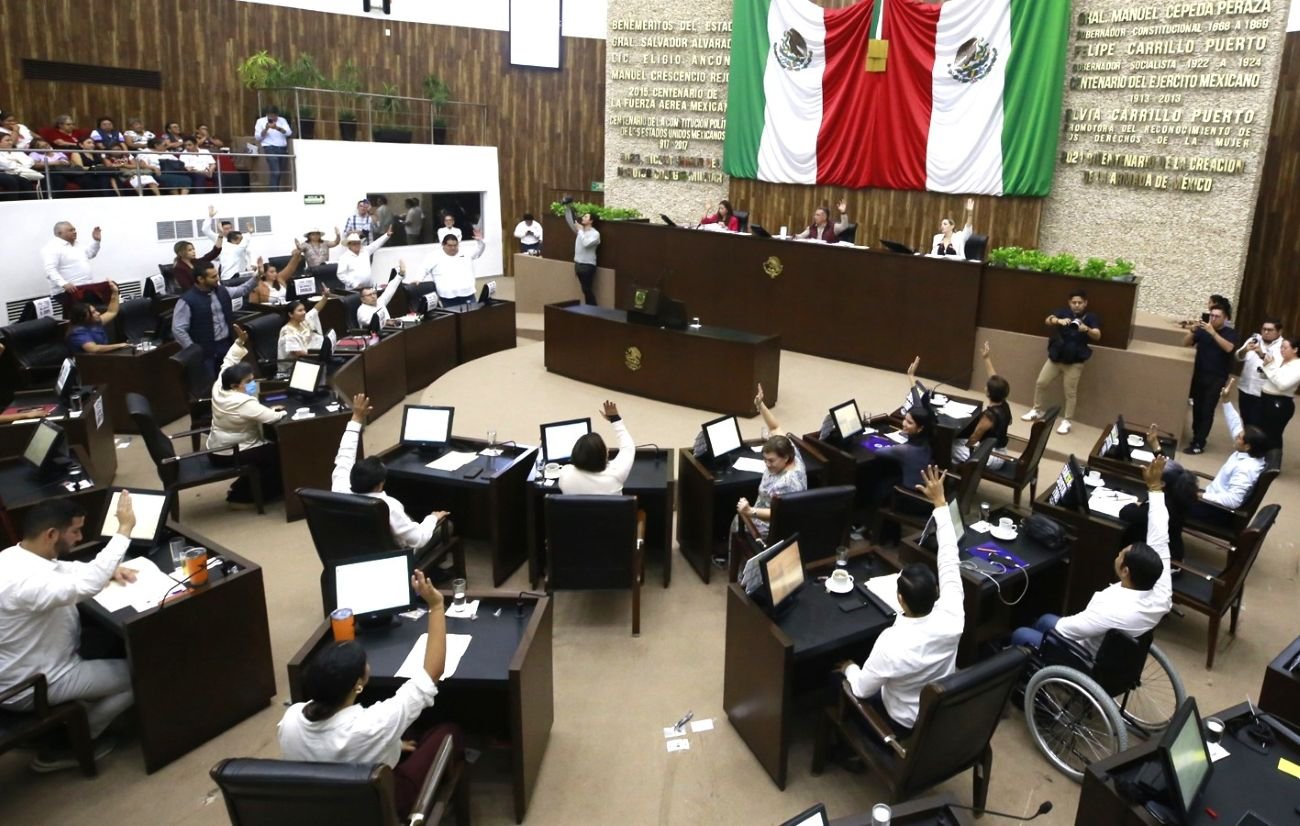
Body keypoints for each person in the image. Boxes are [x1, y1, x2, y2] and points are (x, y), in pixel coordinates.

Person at [278, 567, 459, 818]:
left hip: (322, 809)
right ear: (358, 684)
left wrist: (392, 744)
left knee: (408, 735)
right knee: (448, 731)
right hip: (381, 806)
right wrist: (436, 606)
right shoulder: (375, 723)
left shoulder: (290, 720)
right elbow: (431, 674)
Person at [0, 494, 138, 771]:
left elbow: (65, 569)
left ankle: (81, 715)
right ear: (51, 534)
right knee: (143, 671)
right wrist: (124, 529)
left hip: (22, 664)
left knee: (108, 642)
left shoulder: (15, 556)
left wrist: (108, 569)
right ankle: (73, 742)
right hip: (36, 681)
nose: (79, 537)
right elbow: (85, 586)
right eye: (75, 531)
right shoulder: (23, 582)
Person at [839, 466, 963, 736]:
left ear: (900, 599)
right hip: (937, 715)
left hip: (900, 723)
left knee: (837, 679)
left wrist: (849, 668)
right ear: (937, 591)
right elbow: (949, 558)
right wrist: (940, 503)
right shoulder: (953, 614)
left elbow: (861, 689)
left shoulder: (891, 644)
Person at [1011, 457, 1172, 654]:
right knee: (1045, 620)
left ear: (1125, 571)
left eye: (1121, 555)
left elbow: (1065, 629)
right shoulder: (1161, 592)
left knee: (1022, 634)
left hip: (1082, 655)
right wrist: (1154, 488)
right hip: (1112, 650)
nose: (1117, 555)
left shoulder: (1110, 608)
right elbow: (1159, 535)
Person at [331, 393, 451, 550]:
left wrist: (356, 417)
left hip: (352, 550)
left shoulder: (339, 487)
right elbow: (418, 539)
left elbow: (345, 454)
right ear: (379, 485)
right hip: (396, 556)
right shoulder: (388, 506)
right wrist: (432, 518)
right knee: (447, 526)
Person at [208, 325, 286, 506]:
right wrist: (280, 411)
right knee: (278, 452)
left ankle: (242, 487)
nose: (252, 384)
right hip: (231, 452)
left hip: (218, 447)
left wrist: (240, 342)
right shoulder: (241, 401)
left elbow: (229, 360)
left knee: (270, 447)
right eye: (248, 381)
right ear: (235, 385)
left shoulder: (220, 385)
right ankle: (246, 496)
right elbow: (271, 418)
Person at [730, 383, 807, 562]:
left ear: (785, 458)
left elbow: (778, 514)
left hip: (768, 529)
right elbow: (775, 428)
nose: (767, 464)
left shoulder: (787, 483)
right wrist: (761, 405)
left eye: (771, 461)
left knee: (736, 521)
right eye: (765, 459)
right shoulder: (791, 451)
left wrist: (750, 511)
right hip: (771, 513)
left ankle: (742, 568)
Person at [1022, 289, 1101, 435]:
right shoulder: (1063, 312)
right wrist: (1059, 321)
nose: (1076, 305)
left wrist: (1086, 329)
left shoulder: (1090, 317)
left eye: (1080, 302)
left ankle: (1067, 421)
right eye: (1074, 302)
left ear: (1085, 303)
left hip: (1075, 362)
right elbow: (1048, 320)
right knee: (1041, 382)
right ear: (1069, 303)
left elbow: (1097, 335)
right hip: (1055, 358)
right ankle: (1036, 410)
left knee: (1070, 393)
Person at [172, 259, 261, 381]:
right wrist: (193, 350)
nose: (217, 279)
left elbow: (242, 290)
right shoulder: (187, 300)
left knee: (232, 381)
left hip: (226, 344)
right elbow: (178, 329)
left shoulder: (222, 290)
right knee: (211, 384)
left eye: (217, 275)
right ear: (200, 279)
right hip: (205, 351)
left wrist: (257, 276)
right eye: (213, 277)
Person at [1182, 302, 1238, 454]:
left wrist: (1213, 333)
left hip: (1216, 377)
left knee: (1207, 409)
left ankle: (1199, 443)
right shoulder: (1203, 330)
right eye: (1211, 315)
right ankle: (1196, 436)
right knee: (1197, 408)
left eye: (1217, 316)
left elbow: (1229, 348)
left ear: (1225, 318)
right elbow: (1185, 343)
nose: (1213, 319)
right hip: (1199, 374)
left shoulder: (1230, 333)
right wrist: (1193, 331)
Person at [951, 342, 1010, 470]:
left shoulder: (989, 416)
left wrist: (966, 449)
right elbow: (995, 379)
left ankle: (959, 474)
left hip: (991, 456)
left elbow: (974, 438)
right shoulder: (1004, 404)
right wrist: (986, 358)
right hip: (1000, 451)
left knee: (948, 447)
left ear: (988, 393)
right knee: (957, 442)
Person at [559, 401, 636, 494]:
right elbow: (628, 447)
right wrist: (615, 419)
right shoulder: (616, 473)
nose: (607, 449)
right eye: (605, 448)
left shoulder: (566, 475)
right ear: (603, 456)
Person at [43, 221, 109, 308]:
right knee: (89, 311)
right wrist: (64, 284)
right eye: (70, 230)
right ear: (59, 233)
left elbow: (91, 253)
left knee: (108, 293)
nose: (74, 232)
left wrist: (96, 241)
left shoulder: (76, 244)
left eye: (74, 229)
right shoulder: (52, 248)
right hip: (68, 291)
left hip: (85, 287)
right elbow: (50, 270)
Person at [1255, 335, 1300, 453]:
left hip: (1280, 402)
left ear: (1295, 350)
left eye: (1285, 348)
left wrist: (1269, 367)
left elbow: (1282, 385)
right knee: (1260, 430)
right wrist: (1265, 367)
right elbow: (1268, 376)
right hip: (1265, 398)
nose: (1282, 350)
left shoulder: (1298, 366)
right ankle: (1259, 458)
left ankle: (1273, 461)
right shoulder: (1279, 360)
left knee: (1273, 434)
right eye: (1281, 347)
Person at [1235, 318, 1282, 428]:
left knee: (1258, 424)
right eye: (1264, 329)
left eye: (1270, 330)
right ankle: (1247, 438)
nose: (1266, 332)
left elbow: (1278, 368)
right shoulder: (1254, 339)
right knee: (1245, 420)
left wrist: (1262, 354)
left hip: (1264, 393)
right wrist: (1245, 350)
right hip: (1245, 388)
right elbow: (1238, 357)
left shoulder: (1282, 346)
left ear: (1279, 332)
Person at [420, 231, 484, 306]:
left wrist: (480, 241)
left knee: (473, 313)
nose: (453, 248)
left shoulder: (465, 253)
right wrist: (418, 279)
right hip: (447, 296)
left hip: (467, 293)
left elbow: (479, 251)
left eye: (455, 245)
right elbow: (424, 269)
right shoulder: (434, 256)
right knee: (452, 313)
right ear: (443, 245)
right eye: (450, 246)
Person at [66, 282, 131, 354]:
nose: (98, 313)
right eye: (93, 312)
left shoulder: (94, 322)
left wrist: (115, 292)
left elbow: (111, 312)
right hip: (87, 360)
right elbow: (94, 349)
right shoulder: (78, 332)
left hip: (101, 357)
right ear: (83, 317)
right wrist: (120, 345)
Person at [277, 289, 330, 372]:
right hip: (295, 367)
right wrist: (321, 356)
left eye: (304, 309)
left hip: (311, 357)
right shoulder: (287, 332)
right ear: (290, 314)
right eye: (300, 310)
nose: (304, 312)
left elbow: (315, 309)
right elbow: (299, 354)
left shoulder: (303, 321)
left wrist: (325, 297)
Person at [563, 198, 601, 305]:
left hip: (588, 265)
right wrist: (568, 207)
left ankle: (593, 308)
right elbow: (571, 221)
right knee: (585, 290)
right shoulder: (581, 231)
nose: (583, 218)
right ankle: (589, 309)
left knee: (587, 289)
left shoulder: (595, 234)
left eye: (586, 217)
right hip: (578, 264)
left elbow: (586, 243)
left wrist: (580, 231)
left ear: (591, 221)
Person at [203, 207, 256, 278]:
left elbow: (250, 250)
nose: (229, 230)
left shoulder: (239, 237)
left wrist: (253, 263)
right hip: (227, 269)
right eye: (226, 229)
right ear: (221, 229)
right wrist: (210, 217)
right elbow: (205, 230)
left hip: (242, 268)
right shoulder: (218, 238)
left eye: (231, 228)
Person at [253, 106, 291, 190]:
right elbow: (258, 137)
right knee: (276, 172)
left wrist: (277, 128)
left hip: (282, 148)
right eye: (270, 116)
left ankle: (274, 191)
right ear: (267, 115)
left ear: (277, 114)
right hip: (269, 148)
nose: (273, 118)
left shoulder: (282, 120)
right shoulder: (260, 121)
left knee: (279, 173)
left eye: (274, 116)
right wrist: (266, 129)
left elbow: (288, 133)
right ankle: (273, 193)